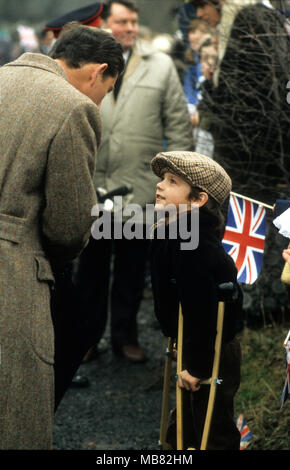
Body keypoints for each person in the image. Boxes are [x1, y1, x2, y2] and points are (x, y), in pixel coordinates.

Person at [0, 24, 124, 450]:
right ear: (99, 72)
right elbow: (70, 225)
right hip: (13, 276)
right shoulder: (74, 108)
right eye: (106, 92)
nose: (99, 101)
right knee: (14, 416)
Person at [76, 0, 192, 363]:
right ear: (105, 24)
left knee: (131, 268)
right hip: (93, 185)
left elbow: (177, 125)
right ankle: (86, 339)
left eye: (133, 21)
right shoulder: (87, 65)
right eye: (121, 21)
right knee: (90, 270)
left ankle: (126, 337)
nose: (128, 27)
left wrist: (180, 181)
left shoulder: (160, 67)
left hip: (141, 188)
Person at [191, 0, 290, 324]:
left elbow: (252, 104)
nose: (200, 16)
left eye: (202, 7)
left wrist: (215, 104)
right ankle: (253, 308)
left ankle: (251, 311)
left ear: (218, 4)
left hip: (252, 161)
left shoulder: (250, 22)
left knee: (250, 239)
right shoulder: (260, 20)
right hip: (259, 158)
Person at [150, 151, 243, 450]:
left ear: (197, 200)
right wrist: (173, 334)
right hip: (191, 339)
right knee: (185, 421)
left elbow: (202, 308)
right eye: (163, 179)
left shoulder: (195, 243)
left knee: (211, 424)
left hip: (212, 345)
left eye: (173, 181)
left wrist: (199, 367)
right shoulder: (169, 229)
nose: (161, 186)